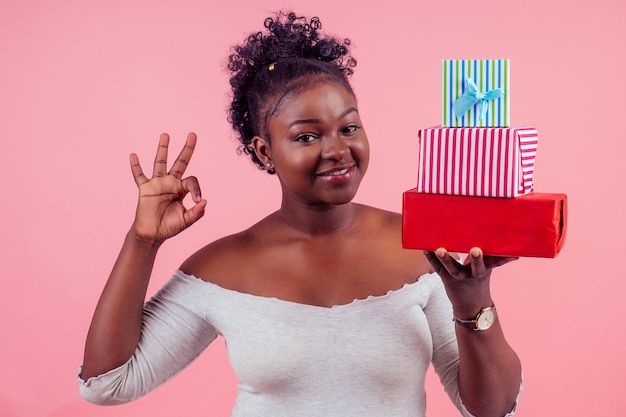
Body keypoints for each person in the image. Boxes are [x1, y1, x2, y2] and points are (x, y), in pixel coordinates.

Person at [78, 11, 522, 417]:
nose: (337, 150)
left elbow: (491, 409)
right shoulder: (221, 268)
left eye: (349, 127)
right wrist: (142, 242)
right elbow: (107, 384)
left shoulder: (422, 245)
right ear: (265, 151)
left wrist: (472, 301)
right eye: (307, 137)